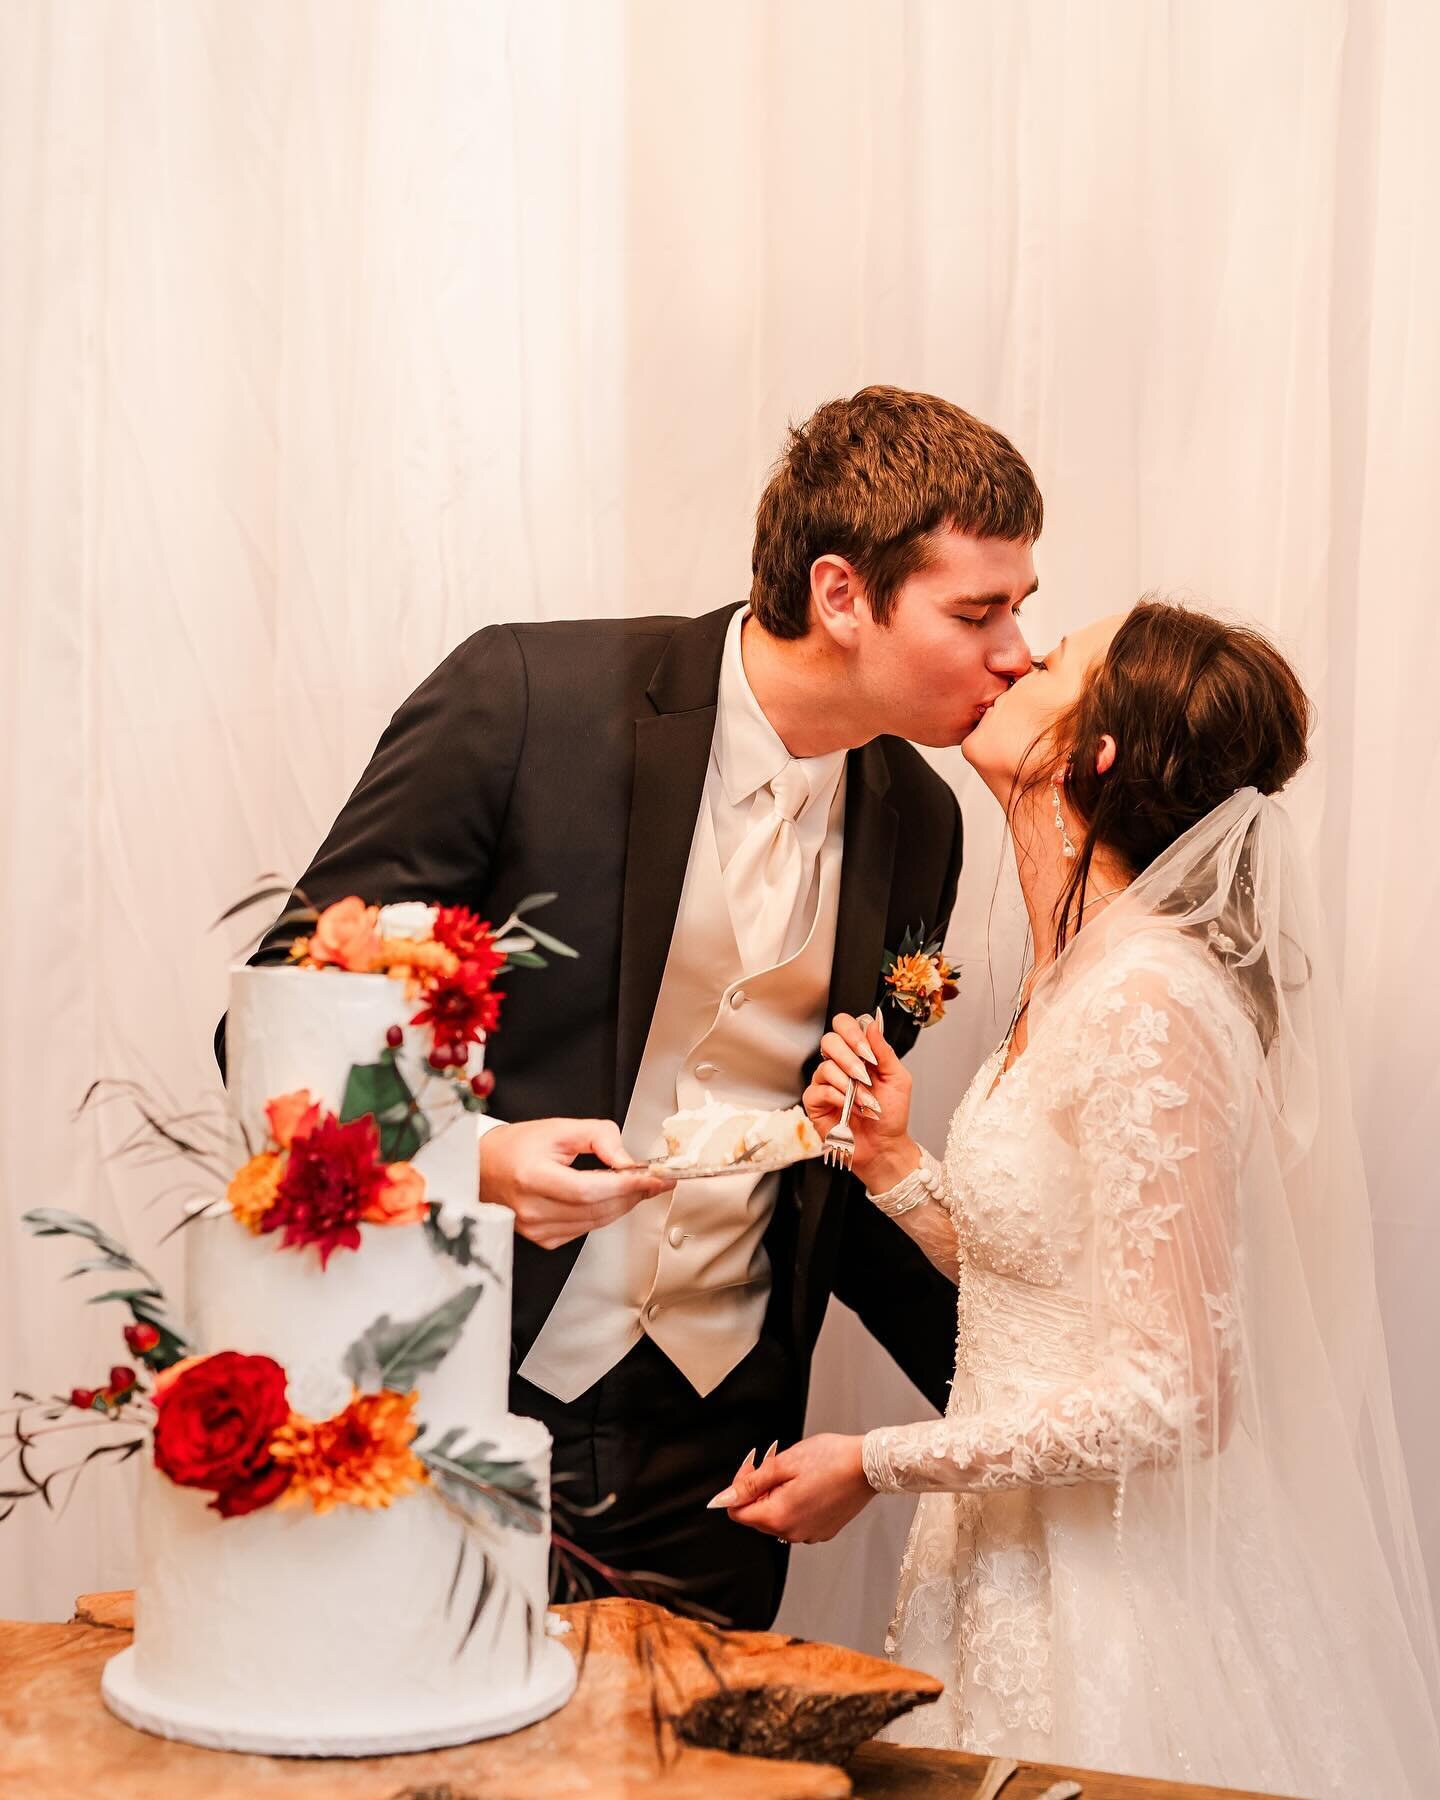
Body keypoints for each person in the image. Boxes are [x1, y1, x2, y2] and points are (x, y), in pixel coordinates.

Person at [235, 386, 1042, 1628]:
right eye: (976, 611)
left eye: (1020, 610)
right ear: (840, 596)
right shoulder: (525, 700)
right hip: (458, 1390)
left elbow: (835, 1149)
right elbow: (269, 1030)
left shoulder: (922, 821)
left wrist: (1031, 1391)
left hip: (720, 1455)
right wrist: (482, 1161)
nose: (1016, 653)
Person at [716, 601, 1440, 1791]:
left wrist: (878, 1461)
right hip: (1012, 1558)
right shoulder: (1086, 976)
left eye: (1050, 660)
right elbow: (1051, 1280)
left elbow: (1177, 1397)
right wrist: (895, 1162)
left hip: (1113, 1589)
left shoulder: (1151, 999)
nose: (1016, 657)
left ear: (1089, 752)